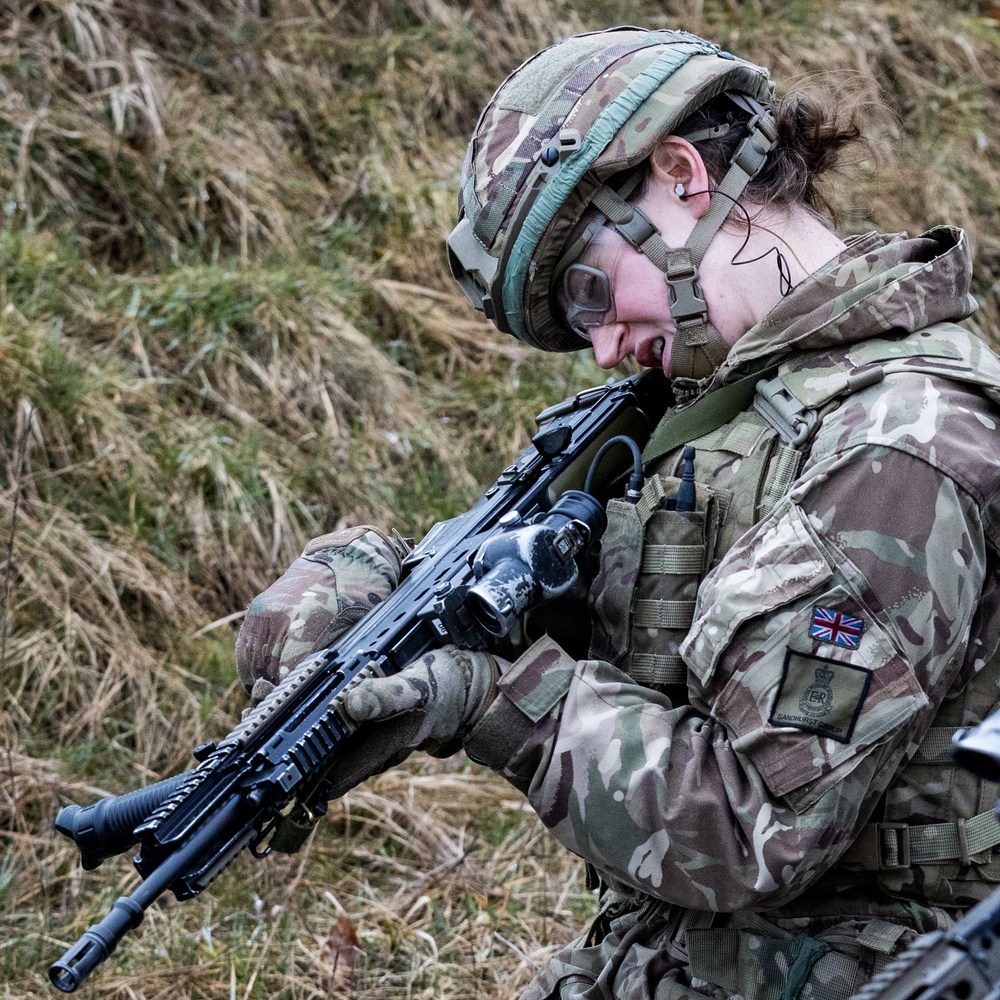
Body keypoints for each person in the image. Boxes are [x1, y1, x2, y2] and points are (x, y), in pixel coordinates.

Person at [235, 27, 1000, 1000]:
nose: (601, 345)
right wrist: (369, 586)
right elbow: (533, 570)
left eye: (590, 290)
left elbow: (749, 825)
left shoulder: (898, 447)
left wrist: (493, 698)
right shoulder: (718, 407)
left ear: (683, 176)